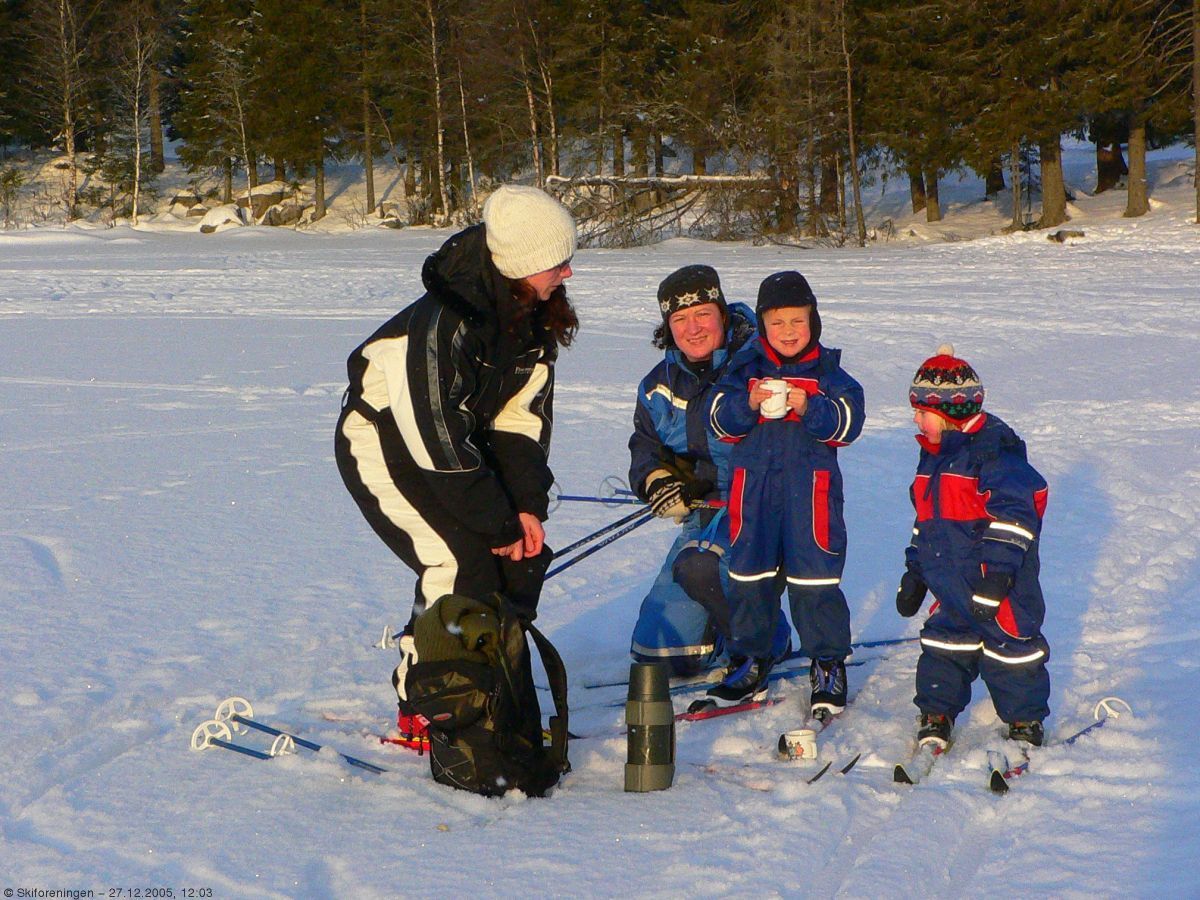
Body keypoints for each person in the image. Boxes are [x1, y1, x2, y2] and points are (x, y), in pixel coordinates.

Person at [335, 184, 578, 723]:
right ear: (521, 263)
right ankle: (426, 700)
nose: (566, 274)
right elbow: (436, 440)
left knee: (521, 563)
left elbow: (521, 420)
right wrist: (496, 525)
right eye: (557, 263)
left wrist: (525, 509)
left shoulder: (531, 317)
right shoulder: (439, 324)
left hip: (460, 440)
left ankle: (485, 673)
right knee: (458, 558)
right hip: (385, 442)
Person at [703, 271, 864, 714]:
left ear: (813, 321)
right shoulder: (744, 367)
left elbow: (850, 423)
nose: (788, 332)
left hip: (811, 495)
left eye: (797, 321)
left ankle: (827, 662)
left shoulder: (828, 371)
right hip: (753, 493)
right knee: (749, 579)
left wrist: (811, 407)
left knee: (816, 582)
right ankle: (750, 658)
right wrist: (749, 403)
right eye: (777, 323)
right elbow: (717, 419)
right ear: (762, 325)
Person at [628, 264, 785, 676]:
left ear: (721, 313)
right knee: (661, 654)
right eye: (679, 319)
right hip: (703, 517)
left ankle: (766, 638)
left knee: (700, 565)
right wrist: (656, 479)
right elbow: (644, 445)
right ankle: (721, 620)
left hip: (760, 512)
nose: (692, 328)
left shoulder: (759, 365)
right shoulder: (657, 385)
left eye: (702, 314)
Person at [895, 344, 1051, 749]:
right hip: (950, 584)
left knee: (1013, 653)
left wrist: (998, 577)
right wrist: (915, 571)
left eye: (922, 412)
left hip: (999, 588)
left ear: (948, 414)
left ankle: (1024, 721)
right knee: (944, 647)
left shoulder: (994, 456)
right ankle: (937, 710)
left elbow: (1015, 519)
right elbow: (926, 523)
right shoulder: (932, 458)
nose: (915, 419)